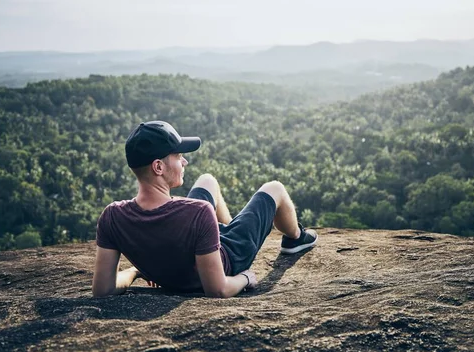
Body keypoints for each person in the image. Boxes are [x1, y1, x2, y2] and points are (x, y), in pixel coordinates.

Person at [92, 120, 318, 298]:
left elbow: (103, 290)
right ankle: (295, 239)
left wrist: (134, 271)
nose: (184, 162)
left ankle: (225, 230)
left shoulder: (112, 216)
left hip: (191, 247)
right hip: (228, 257)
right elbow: (217, 289)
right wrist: (246, 279)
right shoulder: (197, 212)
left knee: (207, 180)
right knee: (275, 188)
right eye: (179, 156)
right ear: (158, 166)